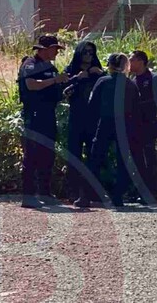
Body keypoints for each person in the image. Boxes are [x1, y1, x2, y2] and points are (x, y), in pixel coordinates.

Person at [74, 53, 144, 208]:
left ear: (110, 65)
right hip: (125, 125)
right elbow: (136, 109)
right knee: (122, 161)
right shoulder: (131, 85)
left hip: (105, 122)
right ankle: (117, 196)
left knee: (95, 159)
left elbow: (92, 105)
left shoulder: (103, 81)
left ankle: (85, 195)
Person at [17, 35, 69, 209]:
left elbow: (55, 90)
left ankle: (45, 193)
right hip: (34, 115)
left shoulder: (51, 67)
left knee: (48, 154)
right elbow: (32, 85)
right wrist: (55, 80)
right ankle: (28, 195)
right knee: (32, 155)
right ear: (44, 49)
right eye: (54, 49)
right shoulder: (30, 64)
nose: (56, 52)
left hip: (48, 114)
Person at [62, 40, 106, 202]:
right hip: (76, 118)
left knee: (94, 156)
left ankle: (93, 192)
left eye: (91, 52)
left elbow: (110, 87)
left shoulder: (98, 71)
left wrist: (101, 75)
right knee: (74, 156)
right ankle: (74, 191)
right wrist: (77, 78)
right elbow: (62, 90)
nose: (88, 55)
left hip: (94, 119)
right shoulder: (71, 70)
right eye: (85, 52)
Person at [129, 50, 157, 204]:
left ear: (141, 61)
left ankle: (151, 192)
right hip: (134, 125)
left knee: (148, 158)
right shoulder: (132, 80)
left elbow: (156, 100)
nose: (129, 63)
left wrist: (136, 107)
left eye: (132, 60)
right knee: (136, 159)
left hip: (148, 124)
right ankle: (138, 191)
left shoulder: (154, 78)